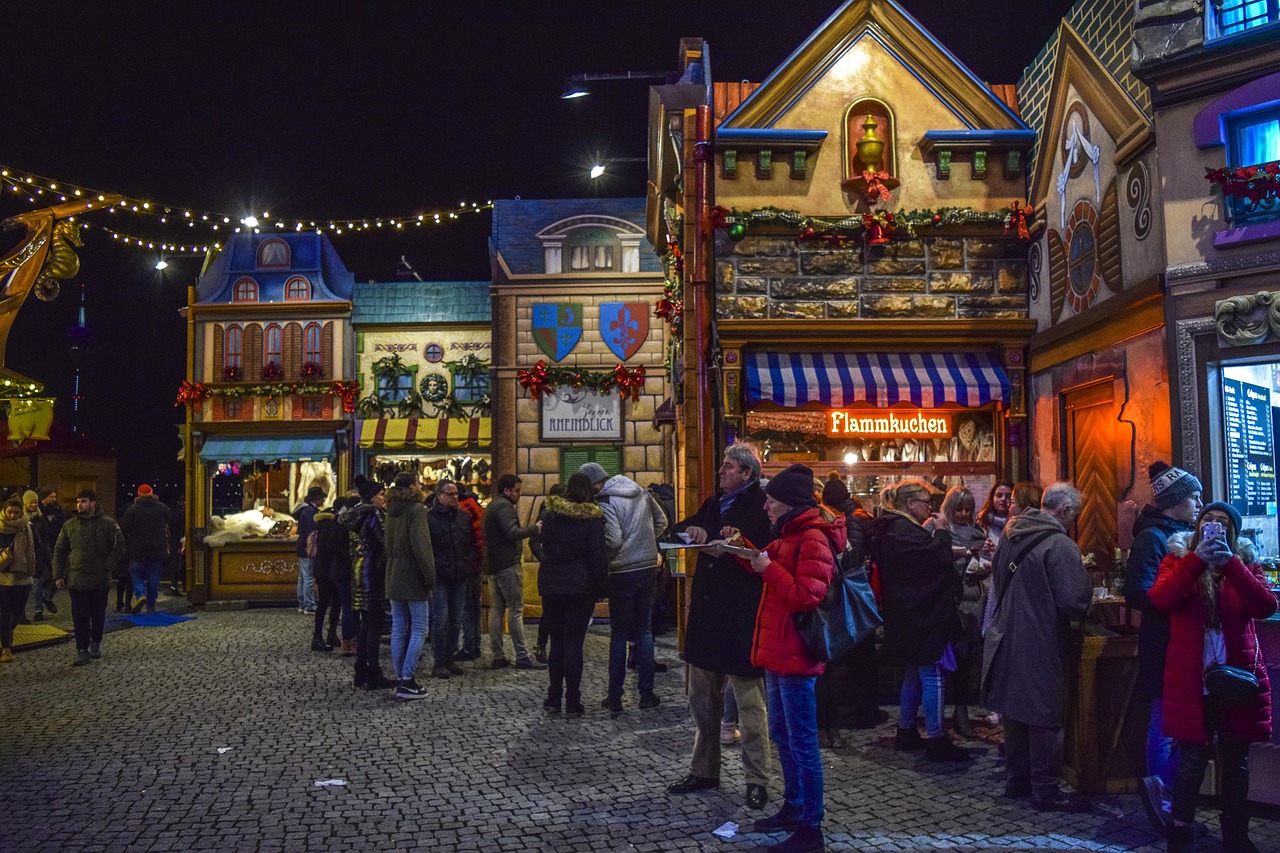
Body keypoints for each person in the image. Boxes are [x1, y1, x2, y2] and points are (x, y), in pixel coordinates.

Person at [1149, 501, 1276, 853]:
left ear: (1233, 534)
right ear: (1197, 528)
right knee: (1191, 761)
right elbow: (1160, 599)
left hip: (1236, 677)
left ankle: (1236, 837)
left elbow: (1266, 606)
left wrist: (1230, 564)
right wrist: (1198, 560)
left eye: (1223, 523)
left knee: (1236, 762)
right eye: (1209, 521)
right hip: (1191, 679)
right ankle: (1181, 835)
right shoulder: (1177, 559)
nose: (1215, 527)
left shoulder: (1245, 563)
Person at [666, 443, 775, 810]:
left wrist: (735, 543)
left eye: (728, 467)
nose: (721, 472)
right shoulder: (715, 504)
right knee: (702, 701)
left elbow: (767, 547)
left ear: (747, 473)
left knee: (750, 706)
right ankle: (704, 770)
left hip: (741, 615)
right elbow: (678, 529)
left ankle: (757, 779)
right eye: (722, 466)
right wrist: (693, 530)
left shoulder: (761, 504)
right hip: (708, 616)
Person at [739, 463, 839, 853]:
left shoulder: (812, 538)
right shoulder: (788, 534)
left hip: (797, 654)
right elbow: (767, 564)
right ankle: (794, 806)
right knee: (782, 735)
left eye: (772, 501)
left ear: (790, 505)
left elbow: (806, 597)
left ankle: (811, 827)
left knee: (802, 743)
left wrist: (768, 569)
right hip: (779, 653)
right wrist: (740, 548)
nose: (766, 507)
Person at [982, 483, 1092, 812]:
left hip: (1007, 632)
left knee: (1015, 711)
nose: (1076, 519)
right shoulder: (1059, 544)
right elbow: (1073, 600)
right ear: (1065, 511)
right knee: (1045, 715)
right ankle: (1045, 790)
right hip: (1040, 637)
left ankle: (1017, 780)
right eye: (1076, 513)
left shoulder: (1013, 533)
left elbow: (998, 580)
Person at [870, 479, 971, 762]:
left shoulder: (895, 530)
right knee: (932, 674)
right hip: (920, 616)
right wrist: (941, 533)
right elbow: (935, 560)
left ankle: (906, 730)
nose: (929, 508)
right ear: (910, 504)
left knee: (914, 673)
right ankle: (936, 737)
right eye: (926, 503)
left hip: (905, 614)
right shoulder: (902, 532)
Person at [1124, 462, 1201, 834]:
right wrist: (1179, 596)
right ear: (1175, 501)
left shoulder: (1182, 533)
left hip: (1179, 641)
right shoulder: (1152, 537)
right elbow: (1137, 591)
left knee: (1177, 724)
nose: (1200, 502)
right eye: (1193, 496)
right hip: (1163, 641)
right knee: (1165, 723)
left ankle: (1172, 799)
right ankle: (1161, 800)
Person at [580, 461, 666, 715]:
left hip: (623, 570)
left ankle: (615, 697)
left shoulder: (605, 502)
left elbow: (614, 539)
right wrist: (646, 544)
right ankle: (647, 694)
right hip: (648, 566)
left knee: (619, 634)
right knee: (645, 631)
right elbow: (661, 522)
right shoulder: (639, 490)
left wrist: (606, 554)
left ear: (595, 483)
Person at [537, 473, 609, 719]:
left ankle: (553, 697)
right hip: (580, 587)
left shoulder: (550, 516)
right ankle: (573, 701)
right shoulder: (591, 520)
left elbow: (542, 543)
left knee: (556, 642)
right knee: (574, 644)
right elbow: (598, 557)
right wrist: (602, 588)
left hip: (551, 584)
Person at [52, 489, 126, 666]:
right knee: (79, 615)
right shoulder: (69, 525)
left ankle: (95, 642)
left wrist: (107, 566)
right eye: (78, 501)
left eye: (83, 501)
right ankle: (82, 648)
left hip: (99, 579)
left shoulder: (108, 524)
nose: (79, 504)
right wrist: (58, 574)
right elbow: (60, 550)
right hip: (77, 579)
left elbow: (119, 546)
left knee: (98, 613)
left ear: (93, 503)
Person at [936, 485, 985, 739]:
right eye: (959, 509)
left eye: (968, 510)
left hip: (971, 603)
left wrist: (984, 565)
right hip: (947, 603)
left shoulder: (978, 534)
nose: (964, 515)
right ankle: (940, 714)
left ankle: (961, 711)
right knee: (946, 661)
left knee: (966, 660)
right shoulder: (939, 531)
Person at [483, 474, 544, 670]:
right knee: (516, 609)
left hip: (494, 564)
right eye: (517, 490)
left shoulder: (494, 505)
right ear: (507, 490)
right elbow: (512, 533)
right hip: (507, 564)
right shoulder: (503, 506)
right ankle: (522, 656)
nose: (519, 494)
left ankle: (498, 654)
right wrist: (534, 528)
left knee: (497, 609)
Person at [384, 472, 435, 699]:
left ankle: (400, 677)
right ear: (413, 486)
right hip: (413, 574)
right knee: (419, 628)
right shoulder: (416, 511)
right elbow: (422, 547)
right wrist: (429, 576)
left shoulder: (391, 510)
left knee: (398, 627)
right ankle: (407, 680)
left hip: (394, 573)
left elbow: (387, 544)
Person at [346, 476, 395, 690]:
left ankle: (361, 671)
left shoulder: (356, 513)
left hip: (359, 570)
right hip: (373, 571)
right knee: (374, 624)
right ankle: (373, 672)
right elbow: (385, 541)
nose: (384, 498)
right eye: (381, 494)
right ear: (372, 496)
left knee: (367, 623)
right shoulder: (374, 513)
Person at [426, 479, 477, 679]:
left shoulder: (463, 517)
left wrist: (468, 563)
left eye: (456, 493)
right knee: (440, 619)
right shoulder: (429, 518)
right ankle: (439, 661)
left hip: (460, 573)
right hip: (441, 576)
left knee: (456, 620)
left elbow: (471, 543)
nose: (455, 497)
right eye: (450, 494)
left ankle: (449, 658)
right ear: (439, 495)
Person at [119, 483, 172, 615]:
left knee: (135, 573)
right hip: (157, 550)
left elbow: (123, 528)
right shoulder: (162, 508)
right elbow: (169, 521)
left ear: (138, 495)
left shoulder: (133, 509)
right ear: (152, 493)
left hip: (137, 550)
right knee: (154, 577)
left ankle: (140, 594)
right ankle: (151, 606)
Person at [529, 483, 567, 664]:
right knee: (550, 611)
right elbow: (533, 541)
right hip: (552, 568)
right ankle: (541, 644)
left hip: (561, 568)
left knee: (555, 610)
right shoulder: (546, 514)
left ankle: (551, 645)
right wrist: (545, 558)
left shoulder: (566, 515)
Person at [0, 498, 39, 663]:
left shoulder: (27, 527)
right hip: (2, 575)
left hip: (22, 576)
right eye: (9, 512)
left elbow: (37, 546)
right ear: (4, 511)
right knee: (4, 611)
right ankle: (6, 648)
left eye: (16, 512)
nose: (12, 516)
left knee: (17, 612)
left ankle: (8, 631)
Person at [455, 486, 486, 662]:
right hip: (478, 562)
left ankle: (469, 646)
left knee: (467, 607)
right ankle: (476, 644)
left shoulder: (462, 510)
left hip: (467, 563)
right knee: (475, 606)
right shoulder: (476, 507)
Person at [310, 498, 344, 652]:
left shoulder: (324, 523)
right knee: (327, 603)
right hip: (327, 570)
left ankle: (328, 635)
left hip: (323, 568)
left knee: (332, 602)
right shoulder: (332, 525)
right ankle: (319, 637)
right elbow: (330, 547)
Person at [293, 486, 326, 614]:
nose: (323, 500)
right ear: (316, 499)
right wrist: (313, 548)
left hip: (302, 546)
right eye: (321, 497)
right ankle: (309, 605)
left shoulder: (305, 510)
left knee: (303, 576)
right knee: (308, 576)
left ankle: (302, 603)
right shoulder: (310, 512)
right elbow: (312, 533)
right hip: (308, 547)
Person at [22, 490, 52, 622]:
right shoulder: (21, 518)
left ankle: (38, 610)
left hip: (37, 555)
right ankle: (20, 613)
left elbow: (45, 539)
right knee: (22, 586)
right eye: (31, 502)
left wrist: (47, 555)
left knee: (36, 584)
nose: (34, 505)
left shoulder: (41, 519)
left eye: (35, 502)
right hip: (23, 556)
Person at [977, 481, 1013, 546]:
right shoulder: (982, 521)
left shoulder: (1016, 523)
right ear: (992, 498)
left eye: (1008, 496)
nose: (1003, 499)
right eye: (999, 495)